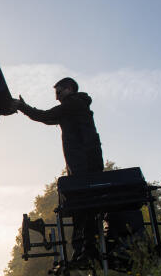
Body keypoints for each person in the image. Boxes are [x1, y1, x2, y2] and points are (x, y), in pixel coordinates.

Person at [10, 77, 104, 264]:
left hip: (83, 166)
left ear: (69, 89)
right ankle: (85, 249)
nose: (56, 97)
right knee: (85, 208)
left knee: (82, 206)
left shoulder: (73, 104)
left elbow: (45, 116)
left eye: (59, 92)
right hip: (84, 165)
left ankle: (85, 250)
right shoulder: (74, 108)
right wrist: (25, 107)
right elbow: (47, 119)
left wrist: (21, 106)